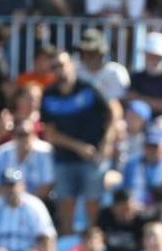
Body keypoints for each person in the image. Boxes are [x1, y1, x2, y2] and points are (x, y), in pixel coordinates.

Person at [43, 52, 117, 234]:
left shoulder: (89, 90)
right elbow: (51, 134)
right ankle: (67, 245)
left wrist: (106, 143)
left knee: (92, 204)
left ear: (72, 65)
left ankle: (90, 244)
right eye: (54, 67)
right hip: (64, 159)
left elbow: (113, 114)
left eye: (62, 65)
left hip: (92, 158)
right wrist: (79, 147)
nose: (59, 71)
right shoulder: (49, 95)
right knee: (66, 206)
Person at [0, 168, 57, 251]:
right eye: (6, 186)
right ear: (1, 188)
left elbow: (47, 236)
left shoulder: (34, 205)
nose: (10, 190)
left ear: (22, 186)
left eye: (12, 185)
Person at [0, 116, 54, 198]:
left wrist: (23, 199)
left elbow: (47, 186)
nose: (23, 139)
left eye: (26, 134)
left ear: (33, 134)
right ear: (14, 135)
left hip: (35, 203)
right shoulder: (2, 153)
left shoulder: (45, 152)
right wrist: (12, 195)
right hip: (6, 201)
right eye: (20, 134)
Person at [127, 32, 162, 115]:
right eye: (151, 56)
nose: (155, 60)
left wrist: (138, 98)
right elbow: (128, 99)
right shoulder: (136, 77)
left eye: (158, 57)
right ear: (145, 56)